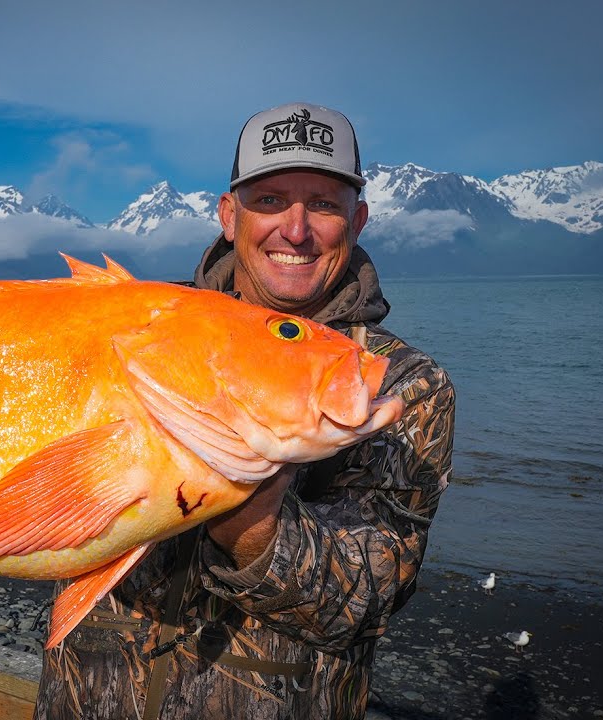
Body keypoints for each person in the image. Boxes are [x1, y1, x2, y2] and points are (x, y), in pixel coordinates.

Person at [33, 102, 456, 720]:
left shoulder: (398, 386)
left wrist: (245, 507)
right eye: (269, 200)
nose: (295, 228)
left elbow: (367, 601)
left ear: (358, 219)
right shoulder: (134, 331)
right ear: (229, 215)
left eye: (325, 203)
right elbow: (27, 486)